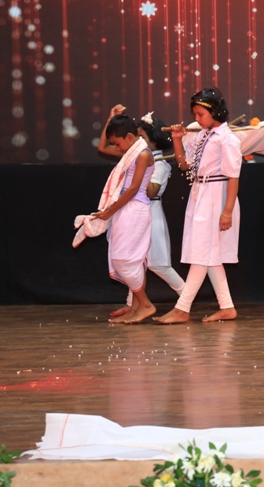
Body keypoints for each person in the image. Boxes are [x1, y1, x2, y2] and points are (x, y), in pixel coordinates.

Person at [153, 87, 241, 324]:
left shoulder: (227, 139)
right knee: (209, 254)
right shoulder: (203, 136)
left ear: (215, 112)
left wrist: (227, 211)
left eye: (200, 114)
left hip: (217, 195)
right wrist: (177, 139)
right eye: (195, 114)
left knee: (202, 252)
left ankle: (182, 308)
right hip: (200, 193)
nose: (197, 119)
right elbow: (184, 165)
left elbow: (234, 177)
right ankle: (227, 306)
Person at [109, 112, 186, 319]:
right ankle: (132, 305)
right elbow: (103, 149)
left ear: (153, 140)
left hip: (151, 211)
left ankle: (186, 299)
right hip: (136, 212)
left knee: (158, 263)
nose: (137, 140)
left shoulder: (159, 164)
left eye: (141, 136)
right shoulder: (136, 158)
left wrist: (140, 175)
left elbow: (150, 192)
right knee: (136, 261)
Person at [94, 107, 156, 324]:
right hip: (125, 209)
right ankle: (136, 308)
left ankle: (145, 305)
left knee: (123, 259)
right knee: (129, 261)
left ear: (129, 137)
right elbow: (102, 147)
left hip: (135, 209)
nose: (117, 148)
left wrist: (109, 211)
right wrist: (110, 120)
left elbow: (133, 189)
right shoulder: (130, 153)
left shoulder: (143, 154)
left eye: (118, 143)